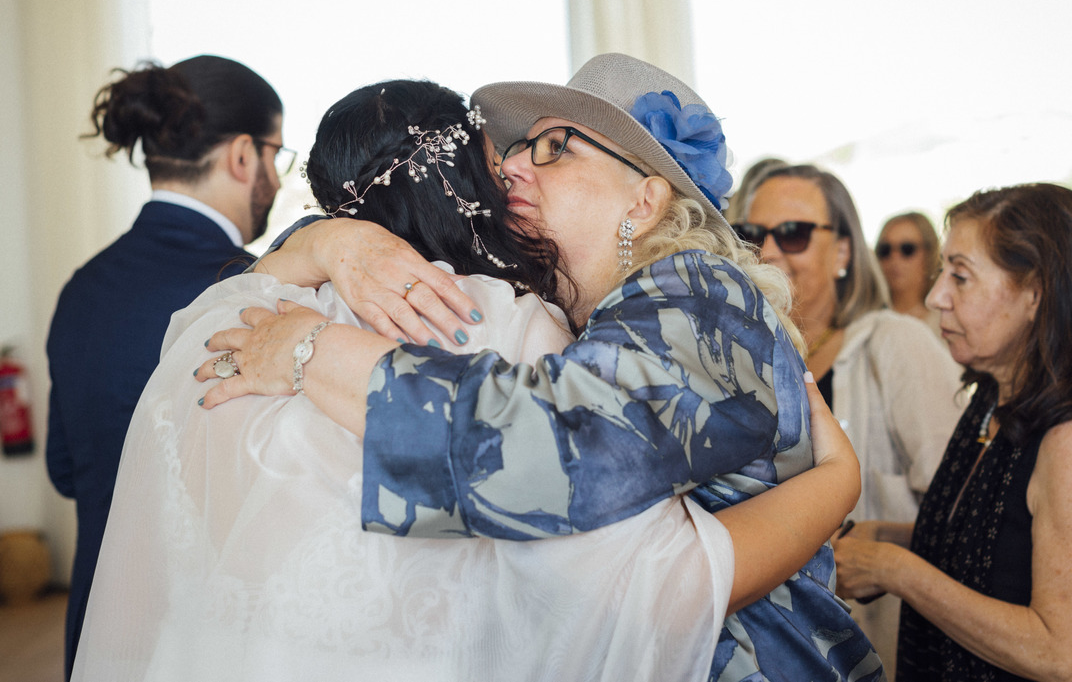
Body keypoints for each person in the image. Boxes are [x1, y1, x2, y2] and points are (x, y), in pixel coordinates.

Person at [197, 54, 883, 681]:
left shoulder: (701, 294)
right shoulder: (592, 312)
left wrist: (309, 351)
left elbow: (544, 451)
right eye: (520, 148)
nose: (514, 166)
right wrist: (333, 237)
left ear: (644, 200)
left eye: (556, 147)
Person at [833, 183, 1072, 681]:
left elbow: (1057, 654)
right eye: (941, 273)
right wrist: (895, 538)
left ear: (1036, 294)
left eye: (961, 277)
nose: (936, 297)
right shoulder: (995, 401)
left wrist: (895, 569)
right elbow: (1007, 545)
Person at [44, 54, 286, 680]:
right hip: (206, 638)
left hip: (98, 631)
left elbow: (65, 470)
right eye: (277, 155)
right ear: (242, 155)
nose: (278, 179)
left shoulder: (81, 289)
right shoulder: (252, 291)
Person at [729, 162, 962, 675]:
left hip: (881, 647)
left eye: (793, 234)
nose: (768, 252)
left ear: (842, 252)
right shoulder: (734, 361)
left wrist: (875, 556)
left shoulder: (895, 345)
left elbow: (966, 518)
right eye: (750, 233)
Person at [876, 211, 942, 336]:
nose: (895, 259)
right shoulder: (867, 320)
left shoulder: (947, 322)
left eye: (907, 249)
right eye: (885, 250)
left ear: (929, 254)